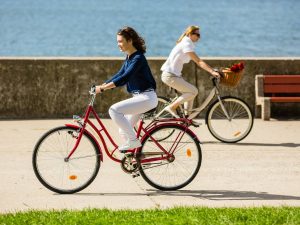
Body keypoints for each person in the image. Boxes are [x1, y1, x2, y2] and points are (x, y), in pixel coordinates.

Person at [95, 26, 158, 152]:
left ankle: (134, 142)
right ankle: (136, 158)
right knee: (123, 131)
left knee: (114, 110)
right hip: (140, 98)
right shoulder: (129, 57)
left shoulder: (138, 58)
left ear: (130, 41)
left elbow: (125, 77)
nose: (118, 45)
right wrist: (103, 85)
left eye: (120, 41)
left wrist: (103, 89)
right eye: (117, 41)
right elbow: (119, 74)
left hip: (146, 98)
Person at [161, 25, 220, 120]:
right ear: (189, 34)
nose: (198, 37)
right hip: (170, 76)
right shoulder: (186, 44)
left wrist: (212, 70)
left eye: (199, 35)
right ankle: (171, 107)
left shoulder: (186, 43)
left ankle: (186, 118)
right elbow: (198, 61)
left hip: (174, 75)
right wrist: (212, 71)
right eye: (197, 34)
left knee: (190, 93)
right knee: (194, 91)